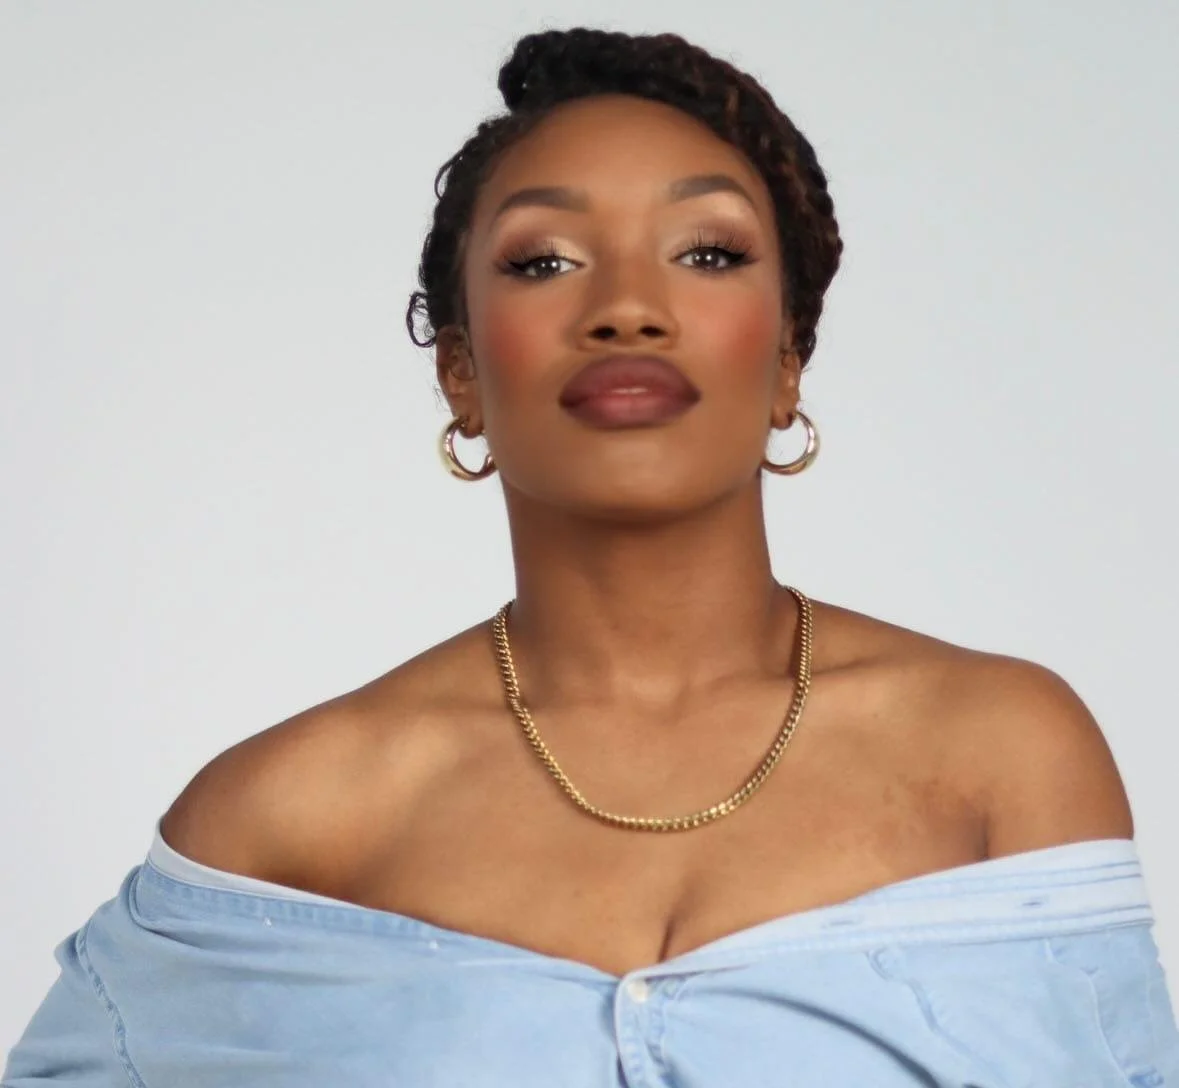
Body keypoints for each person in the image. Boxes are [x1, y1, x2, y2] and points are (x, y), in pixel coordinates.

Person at [6, 25, 1178, 1087]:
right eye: (545, 260)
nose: (627, 306)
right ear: (461, 370)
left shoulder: (999, 755)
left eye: (707, 254)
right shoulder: (293, 816)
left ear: (788, 363)